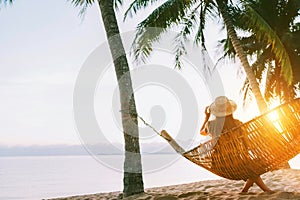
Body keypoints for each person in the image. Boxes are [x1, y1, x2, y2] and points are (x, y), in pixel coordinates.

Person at [199, 96, 272, 193]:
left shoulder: (210, 125)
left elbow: (202, 132)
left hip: (219, 162)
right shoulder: (237, 124)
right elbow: (246, 144)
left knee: (252, 169)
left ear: (216, 111)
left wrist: (207, 117)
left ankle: (245, 191)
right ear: (230, 110)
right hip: (236, 159)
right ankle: (264, 190)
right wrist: (246, 155)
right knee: (255, 167)